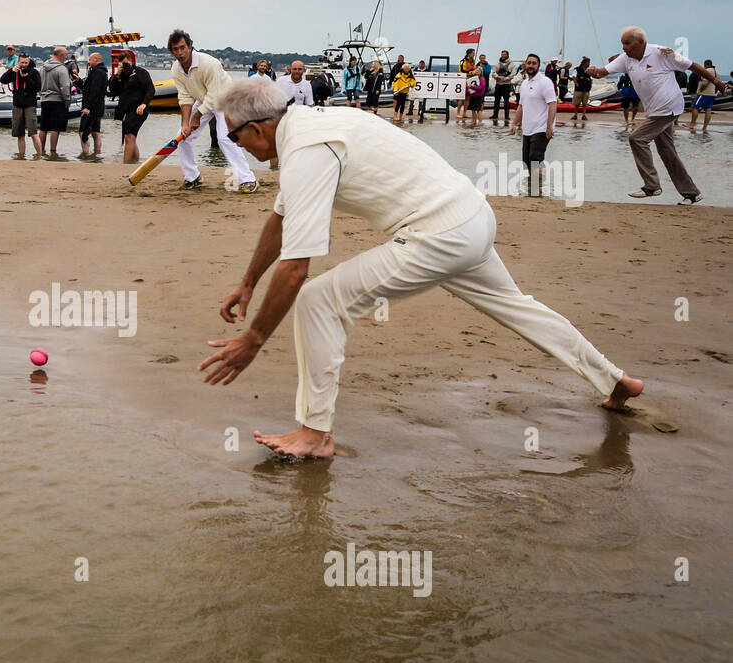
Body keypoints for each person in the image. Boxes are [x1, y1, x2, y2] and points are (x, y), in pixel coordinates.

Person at [197, 78, 643, 460]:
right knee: (517, 307)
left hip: (439, 233)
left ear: (256, 129)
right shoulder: (314, 124)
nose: (237, 146)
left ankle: (315, 434)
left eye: (234, 139)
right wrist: (248, 282)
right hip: (473, 217)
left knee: (318, 300)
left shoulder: (307, 150)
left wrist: (253, 341)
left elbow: (296, 268)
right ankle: (615, 379)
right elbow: (280, 219)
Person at [586, 26, 728, 203]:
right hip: (654, 110)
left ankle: (651, 186)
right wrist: (594, 72)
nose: (624, 47)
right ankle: (691, 193)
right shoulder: (626, 59)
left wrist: (716, 81)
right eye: (622, 43)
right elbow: (602, 72)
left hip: (669, 106)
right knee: (666, 150)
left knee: (636, 138)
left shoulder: (662, 53)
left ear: (641, 42)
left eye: (628, 43)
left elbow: (692, 66)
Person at [168, 29, 257, 192]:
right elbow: (185, 98)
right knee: (182, 136)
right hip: (205, 100)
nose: (180, 53)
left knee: (224, 138)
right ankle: (192, 177)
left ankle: (248, 179)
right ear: (171, 51)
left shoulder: (208, 63)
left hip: (225, 99)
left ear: (190, 46)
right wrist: (185, 124)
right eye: (175, 49)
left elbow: (215, 95)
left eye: (182, 48)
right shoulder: (176, 69)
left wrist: (196, 117)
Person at [509, 53, 558, 196]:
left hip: (542, 127)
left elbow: (553, 104)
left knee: (535, 158)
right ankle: (534, 189)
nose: (531, 66)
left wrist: (549, 126)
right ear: (525, 64)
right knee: (527, 161)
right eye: (529, 63)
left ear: (538, 65)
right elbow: (521, 106)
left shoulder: (545, 82)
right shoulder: (524, 83)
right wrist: (514, 123)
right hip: (527, 128)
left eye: (534, 63)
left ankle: (538, 192)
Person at [109, 50, 154, 164]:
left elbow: (150, 90)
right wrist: (117, 74)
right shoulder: (122, 75)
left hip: (139, 109)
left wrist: (144, 104)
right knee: (130, 136)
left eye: (125, 63)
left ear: (131, 61)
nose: (124, 66)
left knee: (129, 136)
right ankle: (135, 162)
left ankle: (126, 164)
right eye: (121, 64)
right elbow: (112, 91)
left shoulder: (140, 72)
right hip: (126, 110)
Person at [0, 53, 43, 158]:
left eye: (26, 63)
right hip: (17, 105)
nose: (23, 65)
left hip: (30, 105)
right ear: (18, 62)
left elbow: (37, 88)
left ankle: (39, 155)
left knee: (33, 133)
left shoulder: (34, 72)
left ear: (29, 62)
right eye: (22, 62)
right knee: (20, 134)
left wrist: (26, 78)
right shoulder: (15, 72)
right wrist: (11, 71)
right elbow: (3, 80)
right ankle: (21, 156)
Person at [37, 46, 71, 157]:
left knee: (43, 127)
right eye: (65, 56)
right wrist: (67, 100)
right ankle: (53, 151)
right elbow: (65, 87)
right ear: (61, 55)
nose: (66, 58)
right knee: (55, 128)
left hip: (44, 100)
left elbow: (39, 83)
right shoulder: (61, 69)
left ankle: (40, 150)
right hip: (58, 101)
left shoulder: (43, 67)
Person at [76, 52, 108, 158]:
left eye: (90, 60)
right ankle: (96, 154)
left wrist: (87, 107)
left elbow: (95, 91)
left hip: (93, 107)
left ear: (96, 59)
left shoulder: (98, 72)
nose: (88, 62)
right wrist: (78, 81)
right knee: (95, 132)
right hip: (98, 106)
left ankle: (85, 153)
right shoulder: (99, 72)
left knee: (82, 132)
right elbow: (88, 88)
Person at [688, 60, 719, 133]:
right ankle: (704, 127)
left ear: (706, 65)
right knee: (708, 109)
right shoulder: (716, 72)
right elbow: (718, 82)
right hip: (712, 93)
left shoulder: (707, 71)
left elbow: (705, 82)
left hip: (704, 93)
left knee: (695, 107)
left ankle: (692, 124)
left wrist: (700, 90)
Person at [490, 50, 516, 124]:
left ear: (507, 55)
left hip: (506, 85)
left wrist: (507, 78)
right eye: (502, 54)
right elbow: (493, 72)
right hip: (498, 84)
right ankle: (495, 115)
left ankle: (506, 116)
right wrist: (497, 77)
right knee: (496, 101)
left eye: (504, 54)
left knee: (506, 101)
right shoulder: (498, 64)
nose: (503, 55)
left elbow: (513, 74)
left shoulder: (511, 64)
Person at [615, 62, 640, 128]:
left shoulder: (637, 73)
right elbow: (619, 84)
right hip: (626, 92)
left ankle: (633, 118)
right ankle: (626, 121)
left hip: (635, 92)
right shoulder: (624, 75)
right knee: (626, 107)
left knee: (636, 107)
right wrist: (621, 90)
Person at [571, 56, 593, 122]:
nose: (589, 63)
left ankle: (583, 115)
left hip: (586, 89)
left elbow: (591, 78)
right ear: (584, 62)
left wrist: (590, 85)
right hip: (579, 89)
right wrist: (576, 83)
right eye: (588, 62)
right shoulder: (577, 69)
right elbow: (573, 77)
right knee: (576, 103)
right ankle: (575, 114)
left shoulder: (589, 70)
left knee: (585, 103)